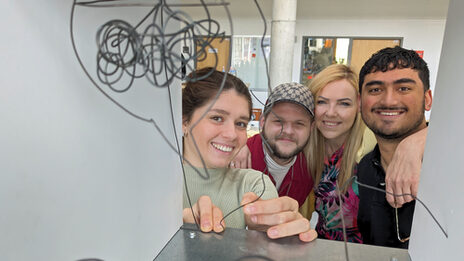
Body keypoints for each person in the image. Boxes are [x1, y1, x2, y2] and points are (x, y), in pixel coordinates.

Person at [182, 67, 317, 242]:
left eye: (240, 123)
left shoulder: (254, 183)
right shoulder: (146, 182)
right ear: (184, 121)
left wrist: (281, 237)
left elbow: (271, 238)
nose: (231, 134)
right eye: (217, 118)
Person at [357, 46, 432, 248]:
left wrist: (420, 141)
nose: (388, 100)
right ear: (360, 102)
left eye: (404, 88)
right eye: (375, 90)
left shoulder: (452, 160)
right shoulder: (364, 168)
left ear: (427, 99)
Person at [305, 64, 372, 243]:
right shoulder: (307, 146)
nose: (331, 113)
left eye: (343, 103)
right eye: (322, 102)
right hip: (320, 249)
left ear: (358, 105)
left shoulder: (370, 147)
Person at [231, 82, 315, 208]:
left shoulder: (308, 170)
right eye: (279, 121)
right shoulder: (235, 158)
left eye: (299, 124)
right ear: (263, 122)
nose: (288, 131)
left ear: (311, 128)